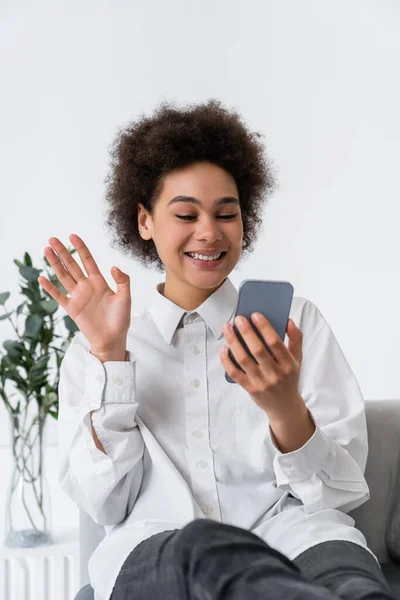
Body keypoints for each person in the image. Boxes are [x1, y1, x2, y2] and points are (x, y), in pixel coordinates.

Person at [38, 99, 395, 600]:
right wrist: (111, 359)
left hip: (297, 539)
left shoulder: (298, 326)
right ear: (144, 221)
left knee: (356, 587)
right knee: (201, 551)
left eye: (227, 213)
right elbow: (106, 503)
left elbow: (337, 494)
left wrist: (284, 408)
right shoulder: (96, 350)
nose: (209, 231)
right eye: (186, 213)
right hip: (159, 547)